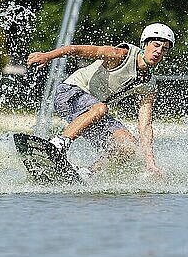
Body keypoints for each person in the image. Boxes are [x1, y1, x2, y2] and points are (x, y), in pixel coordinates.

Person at [27, 22, 175, 176]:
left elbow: (145, 125)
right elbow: (77, 50)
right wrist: (46, 56)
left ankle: (87, 173)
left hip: (93, 113)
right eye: (156, 45)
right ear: (145, 44)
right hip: (69, 93)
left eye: (163, 49)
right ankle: (58, 145)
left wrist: (150, 163)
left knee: (129, 147)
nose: (158, 51)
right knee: (101, 108)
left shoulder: (149, 84)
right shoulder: (120, 55)